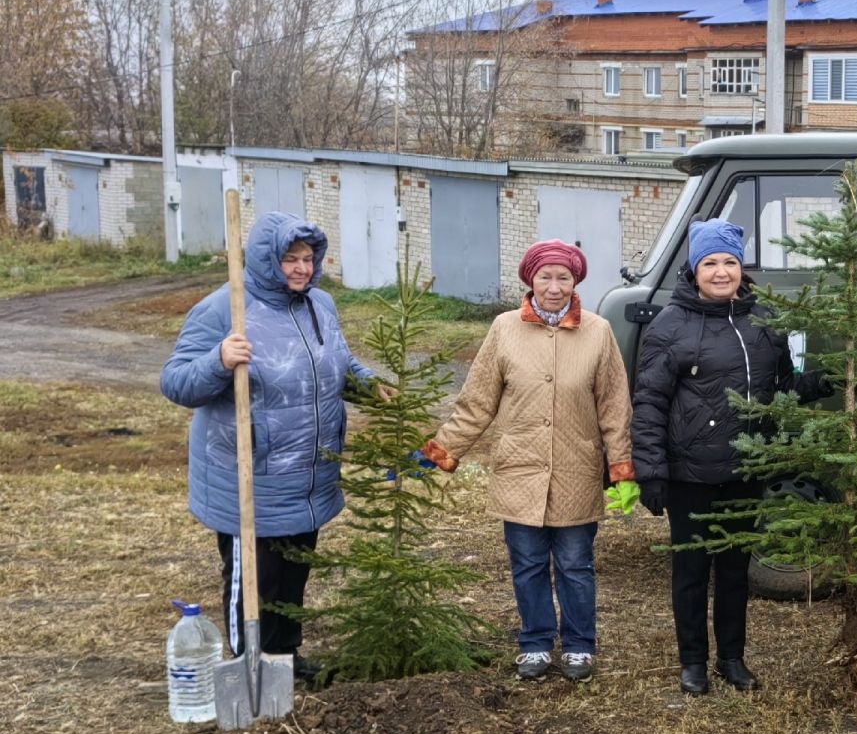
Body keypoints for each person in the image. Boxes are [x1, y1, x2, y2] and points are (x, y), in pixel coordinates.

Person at [162, 210, 379, 682]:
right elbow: (176, 383)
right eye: (290, 260)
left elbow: (340, 361)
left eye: (308, 258)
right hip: (252, 478)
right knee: (254, 580)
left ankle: (286, 658)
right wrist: (220, 361)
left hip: (307, 474)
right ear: (266, 261)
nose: (301, 268)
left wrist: (371, 388)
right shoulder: (224, 308)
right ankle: (251, 669)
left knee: (292, 572)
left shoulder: (320, 304)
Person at [422, 241, 635, 682]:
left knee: (576, 565)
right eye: (545, 277)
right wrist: (443, 449)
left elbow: (615, 407)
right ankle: (536, 642)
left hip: (576, 470)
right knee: (528, 564)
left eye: (564, 278)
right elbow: (477, 401)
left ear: (576, 281)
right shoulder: (504, 329)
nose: (554, 287)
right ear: (530, 280)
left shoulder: (597, 332)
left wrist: (621, 468)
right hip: (519, 470)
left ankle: (579, 645)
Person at [630, 218, 824, 696]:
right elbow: (649, 402)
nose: (721, 272)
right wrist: (650, 471)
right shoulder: (669, 326)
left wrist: (816, 385)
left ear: (742, 269)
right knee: (692, 571)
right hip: (689, 474)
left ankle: (732, 659)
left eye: (730, 262)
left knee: (735, 570)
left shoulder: (763, 324)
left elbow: (777, 388)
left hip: (746, 470)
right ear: (694, 270)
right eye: (710, 263)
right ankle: (693, 661)